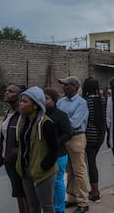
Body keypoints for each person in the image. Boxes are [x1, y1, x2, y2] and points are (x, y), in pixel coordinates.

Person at [16, 86, 58, 213]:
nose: (21, 104)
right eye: (21, 101)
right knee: (33, 205)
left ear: (35, 105)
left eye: (25, 102)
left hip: (43, 172)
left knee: (47, 205)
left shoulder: (46, 123)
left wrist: (44, 166)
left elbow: (54, 148)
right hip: (26, 171)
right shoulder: (24, 123)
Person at [57, 76, 90, 213]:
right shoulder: (61, 102)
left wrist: (61, 124)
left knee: (79, 171)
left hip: (76, 138)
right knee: (69, 170)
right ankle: (71, 197)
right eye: (64, 85)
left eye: (67, 85)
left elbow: (74, 123)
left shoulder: (81, 103)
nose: (64, 87)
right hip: (65, 139)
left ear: (76, 88)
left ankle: (83, 201)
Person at [0, 84, 30, 213]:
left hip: (18, 161)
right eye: (6, 90)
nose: (6, 93)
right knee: (18, 193)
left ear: (20, 95)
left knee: (24, 194)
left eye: (11, 91)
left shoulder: (22, 115)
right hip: (8, 161)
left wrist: (15, 154)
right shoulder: (9, 112)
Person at [44, 88, 72, 213]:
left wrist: (55, 142)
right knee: (45, 184)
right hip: (43, 154)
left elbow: (68, 133)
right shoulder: (40, 114)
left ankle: (59, 209)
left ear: (54, 100)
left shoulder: (61, 115)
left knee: (57, 181)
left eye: (47, 98)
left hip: (59, 154)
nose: (44, 101)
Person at [82, 77, 106, 203]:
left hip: (89, 135)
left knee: (90, 164)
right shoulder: (102, 100)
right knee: (92, 162)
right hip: (100, 135)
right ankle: (94, 190)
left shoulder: (84, 101)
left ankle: (95, 192)